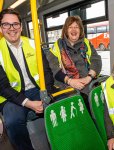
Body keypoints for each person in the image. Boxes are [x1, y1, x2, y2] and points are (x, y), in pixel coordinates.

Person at [0, 8, 56, 150]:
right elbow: (2, 86)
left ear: (21, 26)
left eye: (15, 24)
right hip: (12, 95)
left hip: (37, 89)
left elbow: (47, 72)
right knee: (13, 122)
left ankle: (61, 143)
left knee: (63, 103)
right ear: (1, 28)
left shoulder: (33, 43)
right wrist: (29, 103)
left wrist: (47, 95)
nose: (12, 28)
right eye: (6, 24)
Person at [45, 16, 102, 109]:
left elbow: (96, 60)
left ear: (80, 30)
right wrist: (70, 81)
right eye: (70, 27)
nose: (74, 29)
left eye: (76, 27)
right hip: (66, 84)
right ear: (66, 30)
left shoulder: (86, 43)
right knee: (81, 104)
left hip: (88, 81)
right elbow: (53, 68)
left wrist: (89, 77)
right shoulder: (57, 46)